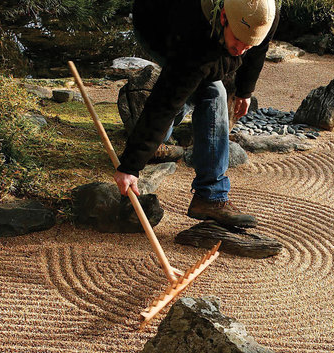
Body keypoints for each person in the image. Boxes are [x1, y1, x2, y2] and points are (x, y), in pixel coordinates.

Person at [114, 0, 279, 229]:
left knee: (209, 87)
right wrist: (130, 167)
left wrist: (245, 90)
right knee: (209, 89)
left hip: (199, 31)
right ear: (223, 18)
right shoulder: (193, 38)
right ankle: (157, 132)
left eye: (248, 45)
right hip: (154, 21)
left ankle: (209, 195)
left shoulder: (263, 13)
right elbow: (164, 103)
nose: (242, 51)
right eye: (239, 41)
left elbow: (258, 48)